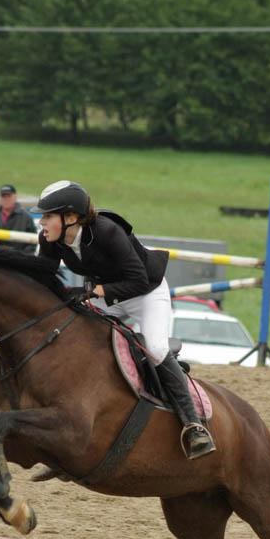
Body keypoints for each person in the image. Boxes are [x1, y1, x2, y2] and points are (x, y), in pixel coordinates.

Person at [33, 180, 215, 459]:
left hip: (146, 293)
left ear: (70, 217)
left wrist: (98, 291)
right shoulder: (50, 239)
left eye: (47, 216)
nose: (42, 222)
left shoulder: (107, 231)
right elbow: (44, 275)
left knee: (155, 348)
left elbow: (138, 280)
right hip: (107, 296)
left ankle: (194, 426)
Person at [0, 184, 38, 252]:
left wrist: (22, 255)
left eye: (9, 196)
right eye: (3, 196)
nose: (6, 199)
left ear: (15, 197)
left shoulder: (26, 217)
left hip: (19, 257)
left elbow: (33, 242)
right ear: (0, 198)